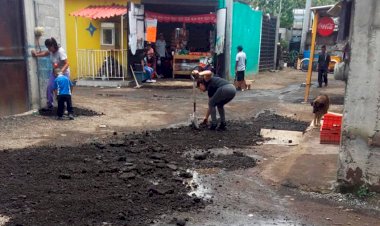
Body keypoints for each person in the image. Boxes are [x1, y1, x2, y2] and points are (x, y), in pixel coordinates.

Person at [31, 37, 70, 109]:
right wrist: (36, 55)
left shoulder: (60, 51)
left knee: (61, 90)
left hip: (63, 73)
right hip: (55, 72)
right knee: (49, 87)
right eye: (47, 47)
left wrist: (61, 72)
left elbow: (67, 64)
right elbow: (46, 53)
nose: (48, 49)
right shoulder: (51, 51)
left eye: (49, 47)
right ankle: (49, 105)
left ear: (53, 45)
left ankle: (65, 107)